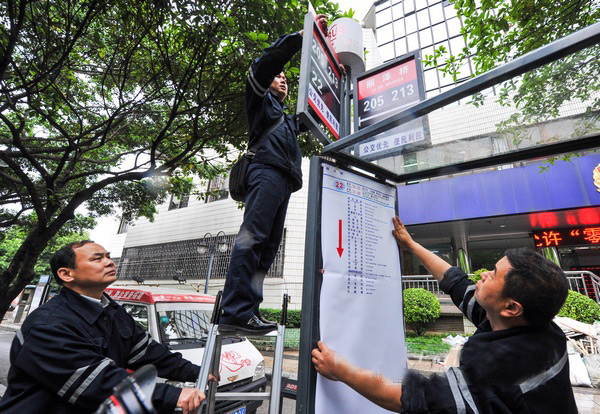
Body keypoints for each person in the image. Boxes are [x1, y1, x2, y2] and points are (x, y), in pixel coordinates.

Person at [312, 216, 577, 413]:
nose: (483, 274)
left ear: (511, 307)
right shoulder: (540, 328)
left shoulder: (498, 369)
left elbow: (409, 397)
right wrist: (411, 245)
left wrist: (340, 369)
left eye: (493, 274)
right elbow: (456, 282)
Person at [0, 241, 206, 414]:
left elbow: (148, 352)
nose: (109, 262)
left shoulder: (112, 310)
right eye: (97, 259)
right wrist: (172, 395)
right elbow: (95, 383)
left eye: (108, 256)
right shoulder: (48, 324)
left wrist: (198, 372)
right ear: (66, 274)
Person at [220, 15, 331, 334]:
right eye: (278, 76)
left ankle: (248, 310)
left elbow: (315, 112)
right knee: (253, 236)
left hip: (283, 180)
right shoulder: (259, 101)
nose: (283, 79)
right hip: (265, 172)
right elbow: (263, 66)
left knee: (268, 247)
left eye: (286, 78)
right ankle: (234, 310)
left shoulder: (284, 117)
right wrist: (300, 37)